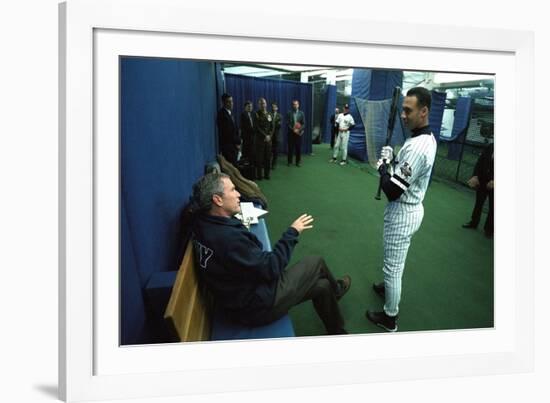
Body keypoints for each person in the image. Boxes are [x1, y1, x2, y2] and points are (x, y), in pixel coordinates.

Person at [189, 172, 351, 335]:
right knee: (316, 262)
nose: (238, 194)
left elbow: (193, 208)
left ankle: (337, 332)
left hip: (239, 298)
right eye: (232, 190)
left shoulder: (201, 221)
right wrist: (292, 232)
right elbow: (272, 267)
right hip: (256, 307)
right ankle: (336, 291)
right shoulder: (228, 238)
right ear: (217, 200)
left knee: (322, 286)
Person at [366, 87, 437, 332]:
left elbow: (393, 190)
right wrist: (394, 157)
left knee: (393, 267)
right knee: (395, 262)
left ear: (424, 111)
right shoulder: (421, 137)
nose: (404, 115)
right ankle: (388, 286)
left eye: (408, 110)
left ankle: (390, 318)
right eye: (403, 110)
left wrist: (384, 167)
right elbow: (406, 171)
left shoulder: (419, 146)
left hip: (403, 211)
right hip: (409, 208)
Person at [462, 142, 494, 238]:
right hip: (483, 180)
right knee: (479, 202)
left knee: (493, 207)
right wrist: (475, 176)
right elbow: (480, 162)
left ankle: (489, 230)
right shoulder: (490, 146)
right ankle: (473, 222)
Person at [216, 93, 241, 165]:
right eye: (229, 102)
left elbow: (235, 129)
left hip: (233, 146)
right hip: (228, 147)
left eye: (232, 101)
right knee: (232, 165)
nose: (231, 103)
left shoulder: (229, 114)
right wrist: (238, 142)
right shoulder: (222, 114)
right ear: (224, 103)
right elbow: (228, 133)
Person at [254, 97, 273, 180]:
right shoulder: (256, 114)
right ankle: (259, 175)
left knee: (268, 158)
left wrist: (269, 136)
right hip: (260, 140)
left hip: (268, 140)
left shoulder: (269, 114)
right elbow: (257, 127)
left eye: (264, 103)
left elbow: (272, 126)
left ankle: (267, 174)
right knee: (259, 158)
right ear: (259, 105)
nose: (263, 105)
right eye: (261, 103)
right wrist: (265, 135)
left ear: (266, 104)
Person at [286, 100, 306, 167]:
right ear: (292, 105)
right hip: (291, 134)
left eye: (296, 104)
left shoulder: (301, 113)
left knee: (298, 148)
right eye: (294, 104)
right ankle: (289, 161)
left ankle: (298, 162)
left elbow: (303, 124)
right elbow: (288, 123)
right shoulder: (289, 113)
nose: (295, 105)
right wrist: (293, 129)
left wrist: (299, 130)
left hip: (298, 134)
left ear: (298, 105)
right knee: (290, 148)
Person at [271, 102, 282, 169]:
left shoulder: (280, 116)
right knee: (269, 150)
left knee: (275, 150)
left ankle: (274, 163)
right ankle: (268, 163)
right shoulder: (269, 114)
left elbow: (279, 125)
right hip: (270, 135)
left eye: (275, 107)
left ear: (277, 108)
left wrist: (273, 124)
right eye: (272, 107)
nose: (273, 108)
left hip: (277, 135)